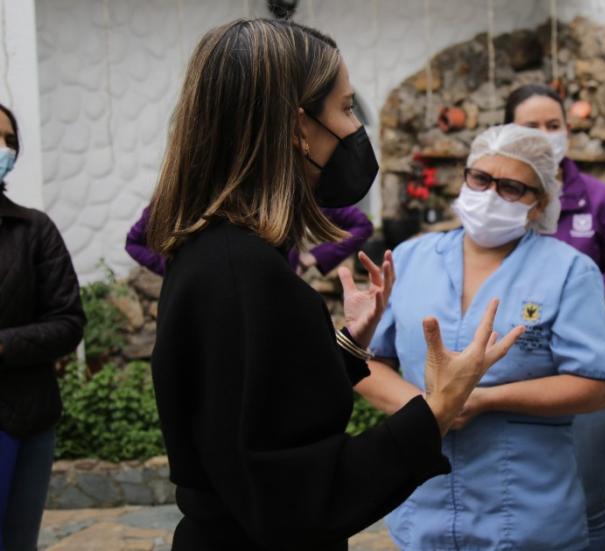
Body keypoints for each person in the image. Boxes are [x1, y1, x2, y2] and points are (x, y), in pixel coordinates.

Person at [147, 19, 521, 550]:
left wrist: (346, 346)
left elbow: (256, 408)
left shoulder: (215, 252)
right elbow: (302, 498)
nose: (354, 128)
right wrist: (439, 406)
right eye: (346, 109)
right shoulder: (243, 272)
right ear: (298, 127)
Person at [354, 124, 605, 550]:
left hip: (526, 513)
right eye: (479, 178)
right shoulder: (411, 259)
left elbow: (593, 386)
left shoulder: (569, 271)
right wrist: (430, 409)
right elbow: (368, 362)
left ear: (539, 204)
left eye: (512, 187)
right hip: (423, 508)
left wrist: (482, 399)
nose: (490, 195)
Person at [504, 83, 605, 551]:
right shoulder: (498, 203)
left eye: (553, 125)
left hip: (584, 371)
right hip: (514, 371)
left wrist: (572, 293)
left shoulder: (599, 200)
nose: (544, 136)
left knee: (589, 505)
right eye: (530, 127)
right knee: (514, 501)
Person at [0, 102, 86, 551]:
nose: (2, 147)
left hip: (26, 418)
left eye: (9, 139)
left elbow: (69, 322)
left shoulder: (34, 230)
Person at [126, 203, 373, 276]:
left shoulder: (282, 193)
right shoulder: (177, 195)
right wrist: (172, 267)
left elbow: (360, 225)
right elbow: (134, 242)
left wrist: (313, 257)